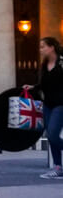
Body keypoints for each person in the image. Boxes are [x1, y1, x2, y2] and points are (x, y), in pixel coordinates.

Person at [24, 37, 63, 179]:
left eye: (43, 47)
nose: (40, 50)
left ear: (51, 47)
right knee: (50, 137)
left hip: (61, 104)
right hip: (48, 104)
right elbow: (45, 84)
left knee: (53, 134)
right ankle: (58, 168)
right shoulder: (45, 64)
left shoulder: (61, 62)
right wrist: (33, 87)